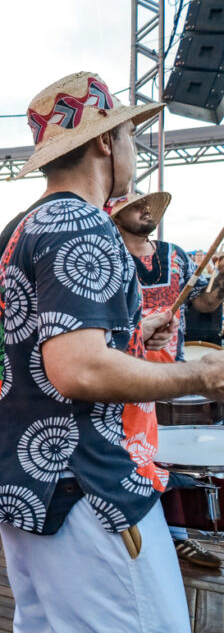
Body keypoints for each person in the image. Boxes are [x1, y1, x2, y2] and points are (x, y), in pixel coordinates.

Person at [0, 71, 224, 633]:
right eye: (129, 136)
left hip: (25, 476)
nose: (133, 151)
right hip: (86, 486)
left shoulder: (20, 226)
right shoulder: (82, 223)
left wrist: (131, 333)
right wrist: (202, 375)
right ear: (106, 141)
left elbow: (29, 349)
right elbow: (76, 370)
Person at [111, 190, 224, 568]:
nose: (146, 211)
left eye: (149, 206)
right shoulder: (107, 256)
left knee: (167, 457)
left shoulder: (174, 254)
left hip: (172, 371)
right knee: (135, 457)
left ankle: (174, 536)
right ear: (116, 213)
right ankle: (139, 535)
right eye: (137, 206)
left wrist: (222, 280)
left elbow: (204, 303)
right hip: (125, 372)